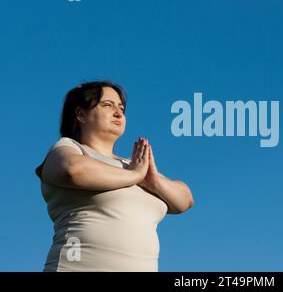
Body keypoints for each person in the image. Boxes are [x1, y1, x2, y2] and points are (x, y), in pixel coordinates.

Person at [35, 80, 194, 272]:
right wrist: (134, 175)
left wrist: (153, 181)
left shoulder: (134, 166)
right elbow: (73, 170)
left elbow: (185, 200)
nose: (118, 113)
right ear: (81, 114)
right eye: (107, 105)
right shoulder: (69, 149)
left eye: (121, 108)